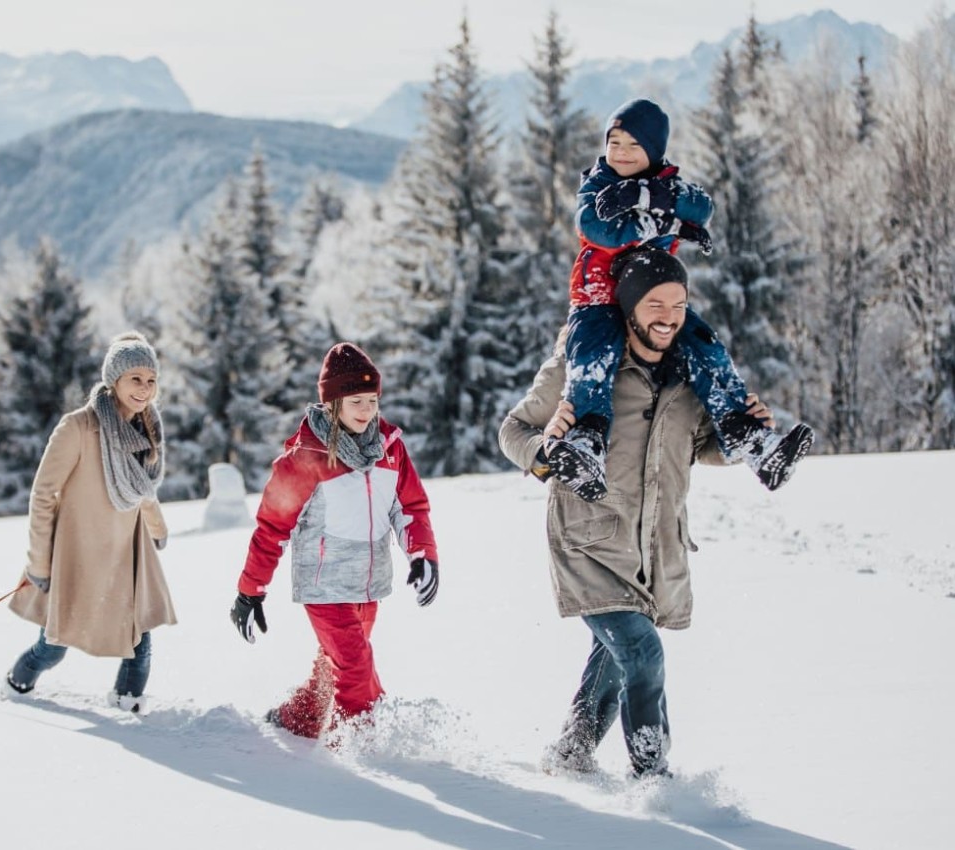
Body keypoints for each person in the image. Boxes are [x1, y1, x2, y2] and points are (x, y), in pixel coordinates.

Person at [500, 248, 778, 779]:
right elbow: (512, 431)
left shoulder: (689, 375)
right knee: (641, 650)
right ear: (629, 308)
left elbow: (701, 446)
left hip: (652, 548)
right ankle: (652, 774)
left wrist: (741, 441)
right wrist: (549, 452)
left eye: (678, 303)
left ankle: (570, 753)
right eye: (654, 303)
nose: (668, 316)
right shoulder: (582, 367)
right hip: (587, 543)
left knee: (615, 658)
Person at [546, 97, 812, 501]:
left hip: (656, 303)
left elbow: (702, 206)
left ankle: (751, 437)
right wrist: (668, 221)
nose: (620, 153)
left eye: (633, 146)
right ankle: (587, 439)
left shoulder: (666, 183)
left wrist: (644, 195)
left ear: (653, 152)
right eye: (614, 142)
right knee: (591, 358)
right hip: (598, 297)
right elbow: (600, 230)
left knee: (703, 345)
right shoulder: (596, 184)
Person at [229, 342, 439, 739]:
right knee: (357, 672)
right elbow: (272, 527)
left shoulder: (390, 450)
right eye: (355, 401)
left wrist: (422, 555)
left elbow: (409, 507)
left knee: (335, 665)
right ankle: (357, 753)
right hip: (324, 587)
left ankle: (299, 720)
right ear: (333, 404)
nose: (366, 411)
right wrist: (250, 590)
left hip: (368, 584)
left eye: (372, 400)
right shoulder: (306, 457)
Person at [5, 331, 176, 713]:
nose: (145, 389)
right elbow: (43, 495)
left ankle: (127, 705)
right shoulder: (78, 427)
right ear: (114, 379)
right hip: (79, 555)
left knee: (140, 638)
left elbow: (141, 490)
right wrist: (39, 562)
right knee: (53, 647)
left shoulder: (146, 429)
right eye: (135, 378)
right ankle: (18, 683)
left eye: (151, 380)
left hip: (127, 551)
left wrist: (157, 529)